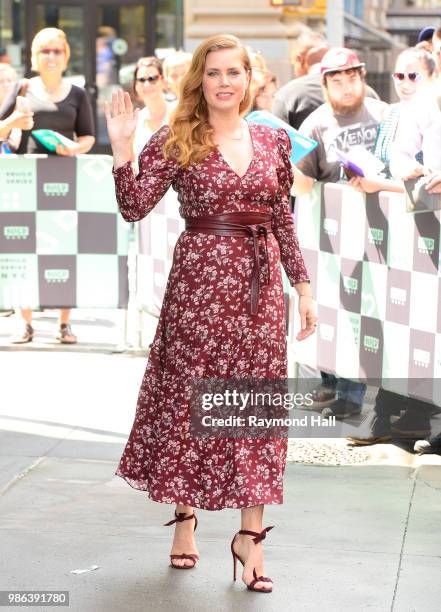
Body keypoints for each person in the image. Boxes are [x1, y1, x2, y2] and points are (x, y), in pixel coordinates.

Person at [105, 33, 317, 592]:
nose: (225, 82)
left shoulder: (272, 142)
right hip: (198, 291)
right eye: (215, 72)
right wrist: (123, 148)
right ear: (200, 79)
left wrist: (304, 286)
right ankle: (184, 519)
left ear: (250, 79)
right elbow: (133, 206)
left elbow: (282, 219)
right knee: (189, 403)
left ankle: (250, 537)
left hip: (259, 292)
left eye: (235, 72)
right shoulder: (179, 137)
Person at [293, 47, 389, 419]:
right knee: (339, 312)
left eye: (352, 77)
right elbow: (302, 187)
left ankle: (357, 397)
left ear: (362, 78)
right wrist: (293, 165)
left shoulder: (383, 114)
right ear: (326, 84)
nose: (347, 86)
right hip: (334, 237)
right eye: (338, 80)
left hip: (383, 233)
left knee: (371, 317)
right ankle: (341, 392)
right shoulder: (315, 125)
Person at [0, 27, 95, 344]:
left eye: (57, 51)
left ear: (66, 56)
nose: (51, 57)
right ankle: (25, 323)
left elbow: (88, 137)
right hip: (25, 183)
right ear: (34, 57)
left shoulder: (78, 94)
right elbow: (1, 131)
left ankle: (64, 323)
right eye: (45, 51)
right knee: (25, 252)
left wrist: (74, 149)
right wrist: (14, 122)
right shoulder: (23, 88)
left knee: (64, 252)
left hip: (65, 182)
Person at [349, 47, 437, 194]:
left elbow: (434, 186)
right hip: (386, 210)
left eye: (414, 76)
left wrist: (380, 185)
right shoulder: (389, 112)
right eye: (400, 76)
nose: (405, 83)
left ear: (431, 76)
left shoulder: (434, 114)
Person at [272, 36, 379, 131]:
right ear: (325, 87)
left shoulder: (287, 95)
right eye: (337, 82)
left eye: (352, 79)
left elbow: (276, 144)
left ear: (299, 59)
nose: (347, 90)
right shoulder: (370, 95)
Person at [132, 56, 176, 159]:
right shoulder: (135, 121)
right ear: (136, 85)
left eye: (152, 78)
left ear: (163, 81)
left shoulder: (178, 114)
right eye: (141, 80)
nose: (147, 84)